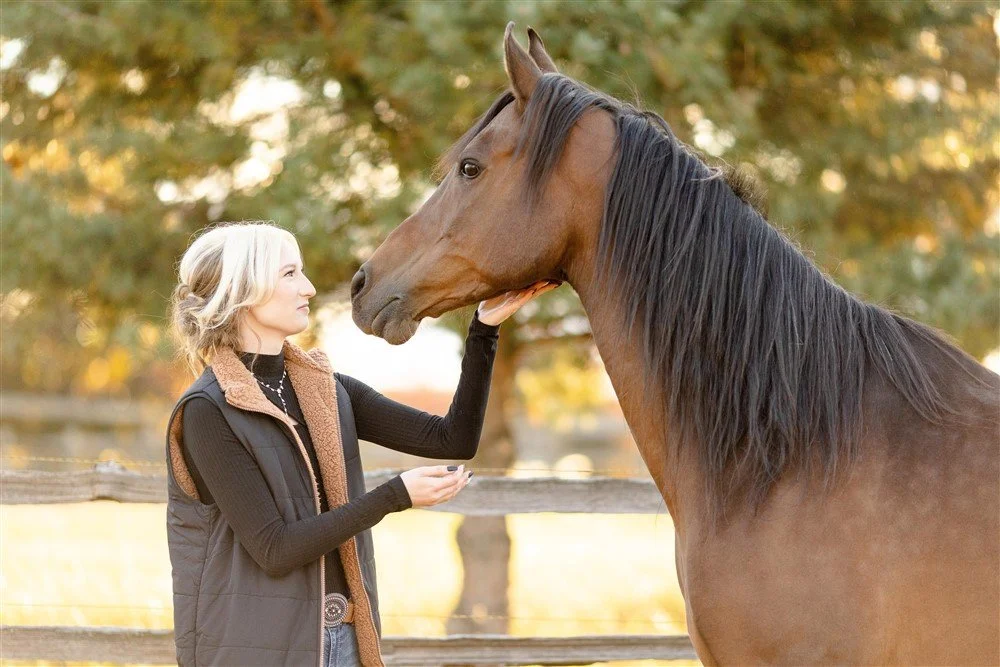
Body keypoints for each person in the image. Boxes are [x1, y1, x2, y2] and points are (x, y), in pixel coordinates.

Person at [165, 221, 549, 666]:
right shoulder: (207, 411)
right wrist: (394, 496)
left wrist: (484, 328)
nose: (308, 288)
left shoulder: (327, 390)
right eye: (289, 274)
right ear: (244, 289)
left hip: (344, 640)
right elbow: (274, 549)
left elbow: (453, 438)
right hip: (256, 649)